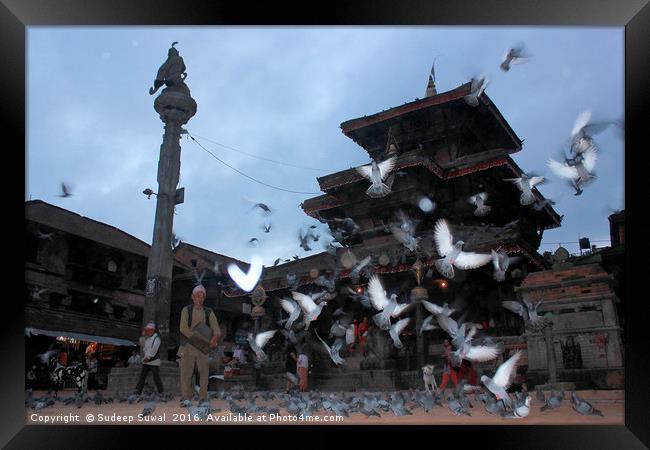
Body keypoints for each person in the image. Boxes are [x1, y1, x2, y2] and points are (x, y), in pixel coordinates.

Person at [179, 284, 220, 405]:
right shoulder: (186, 310)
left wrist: (214, 337)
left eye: (202, 297)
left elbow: (216, 328)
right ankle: (186, 398)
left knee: (204, 372)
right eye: (197, 296)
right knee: (186, 373)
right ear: (193, 297)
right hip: (188, 345)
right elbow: (183, 328)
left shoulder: (208, 312)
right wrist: (197, 339)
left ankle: (202, 397)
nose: (200, 299)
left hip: (203, 347)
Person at [135, 321, 164, 396]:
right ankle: (138, 391)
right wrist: (142, 336)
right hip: (146, 360)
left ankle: (161, 391)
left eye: (147, 330)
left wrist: (148, 357)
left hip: (153, 361)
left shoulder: (157, 339)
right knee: (142, 376)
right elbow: (143, 346)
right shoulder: (148, 339)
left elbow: (154, 350)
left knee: (156, 376)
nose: (146, 331)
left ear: (152, 330)